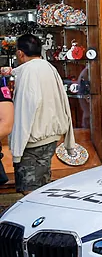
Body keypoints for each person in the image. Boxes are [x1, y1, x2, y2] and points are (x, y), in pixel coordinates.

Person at [10, 34, 74, 193]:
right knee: (41, 185)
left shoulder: (29, 72)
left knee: (29, 189)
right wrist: (69, 140)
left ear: (20, 53)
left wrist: (17, 150)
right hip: (50, 137)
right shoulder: (49, 67)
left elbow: (24, 110)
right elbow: (63, 100)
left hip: (32, 140)